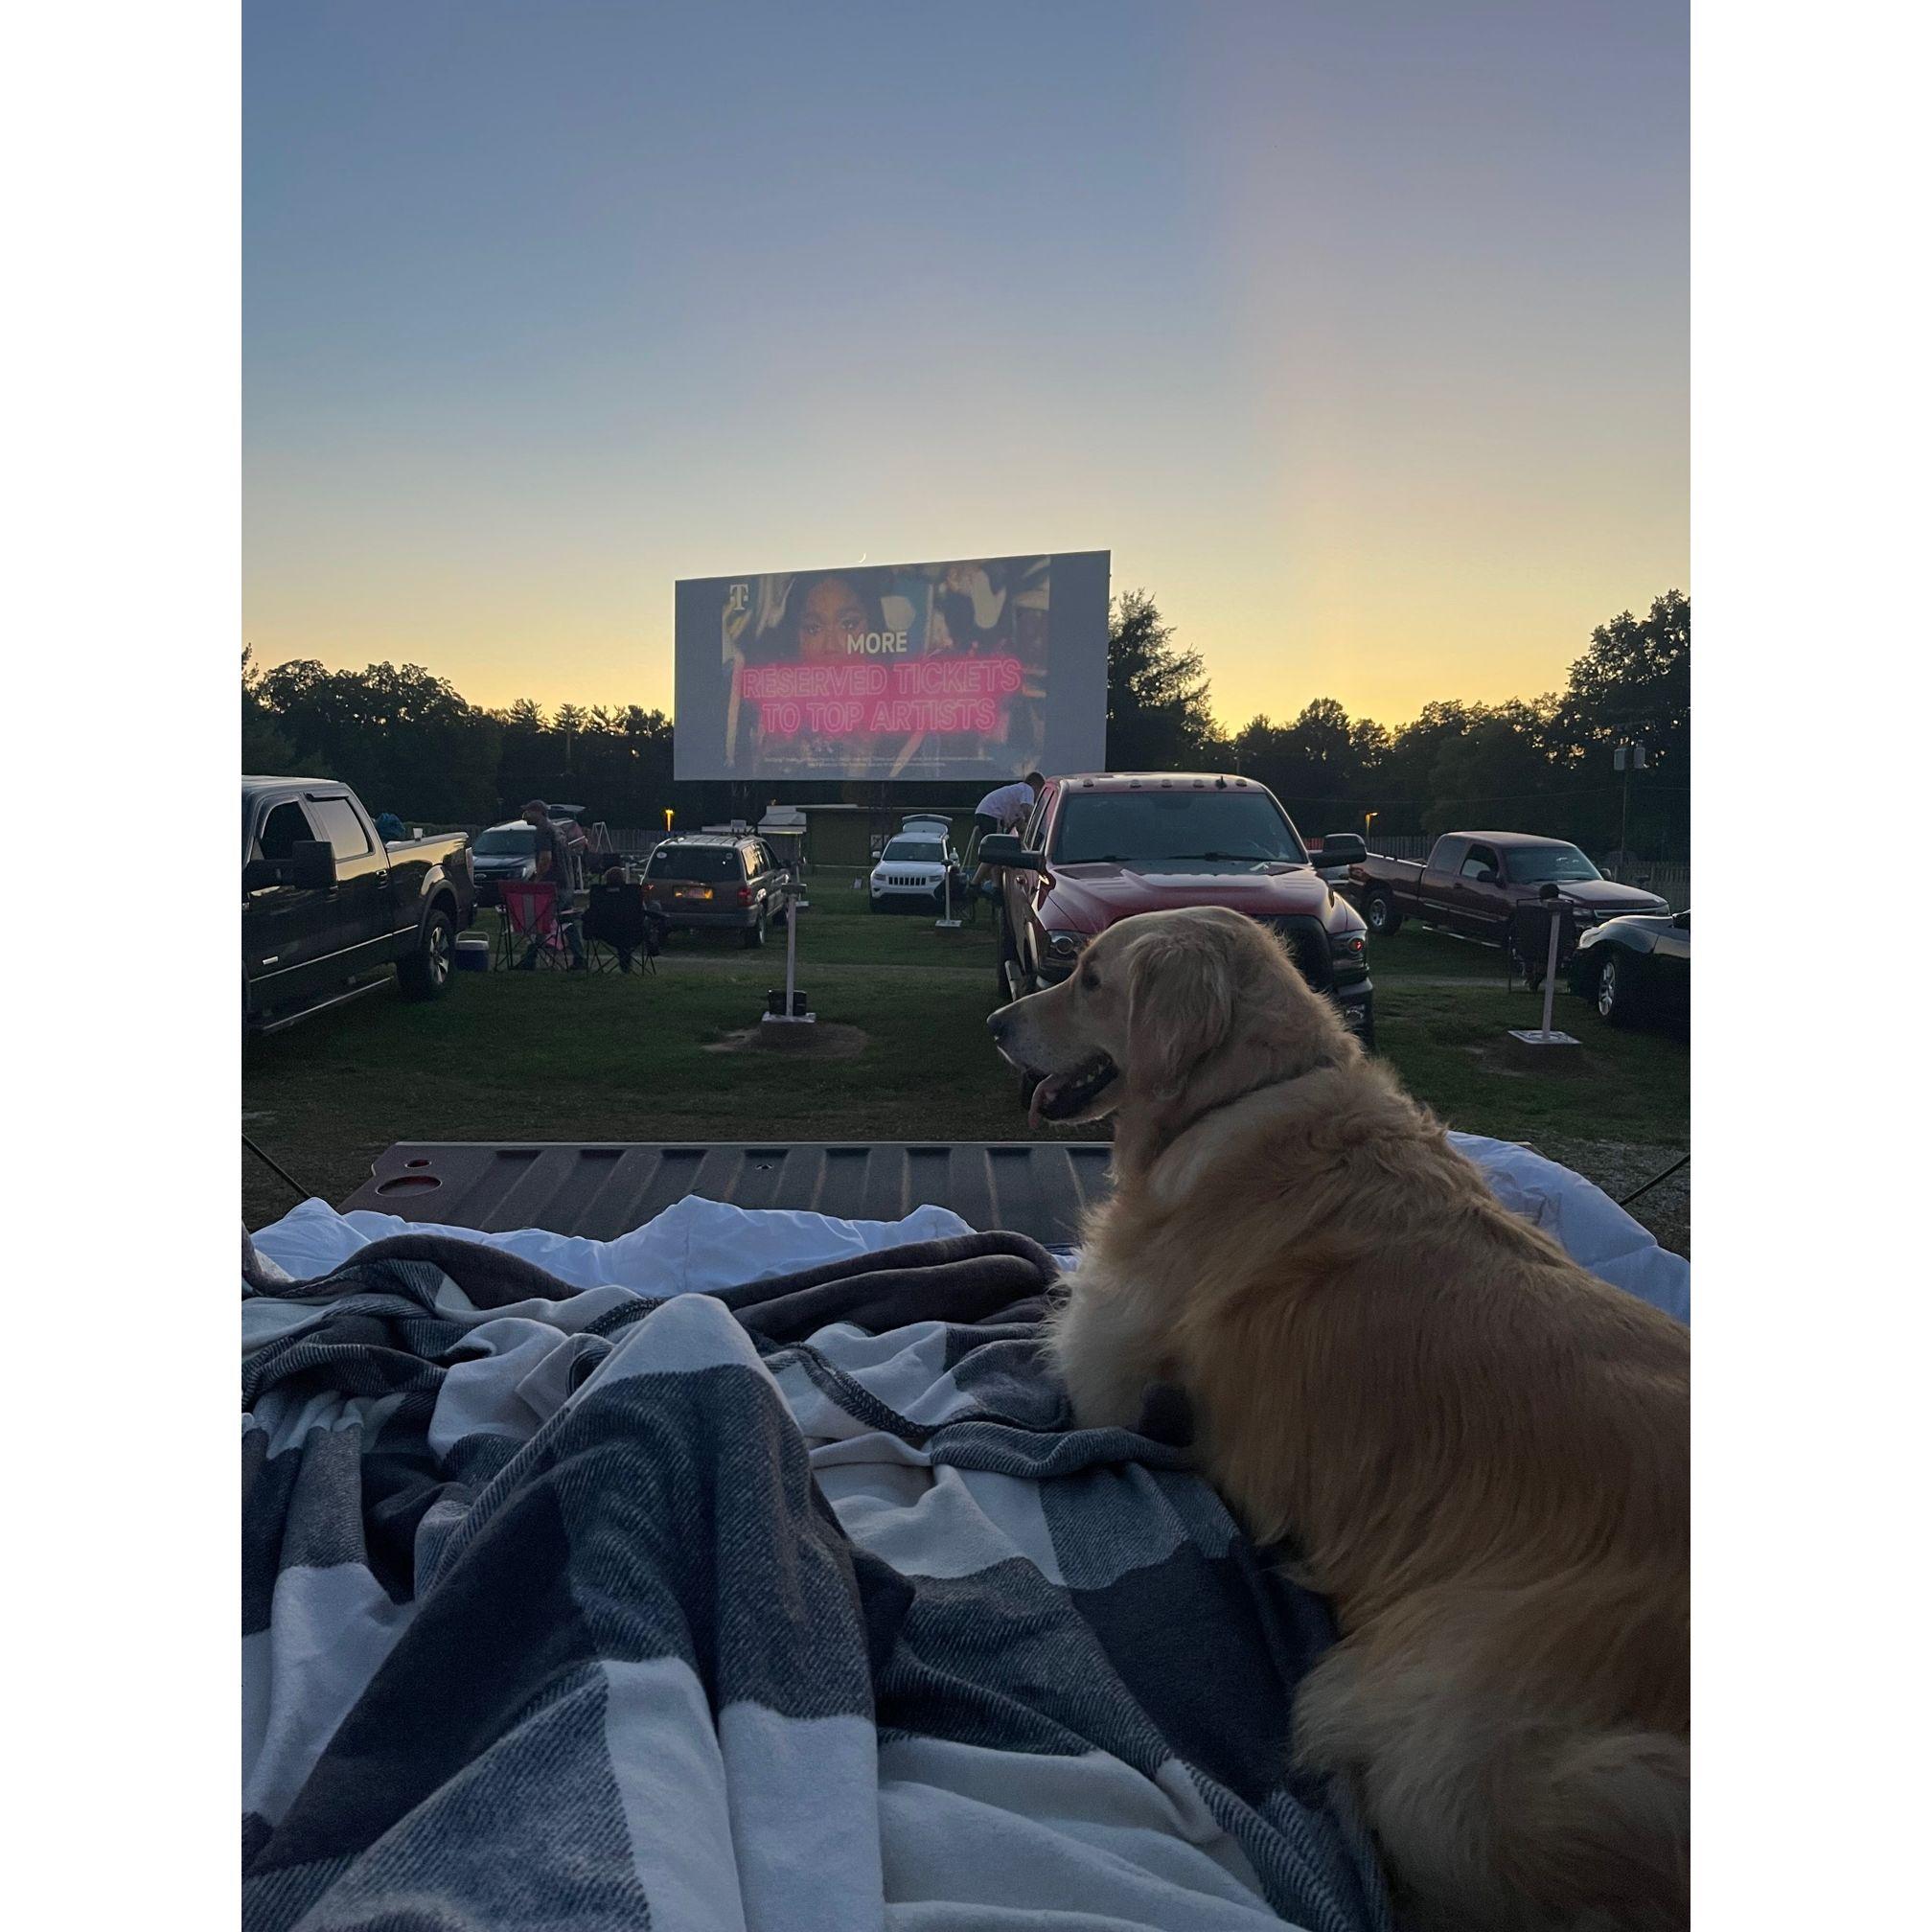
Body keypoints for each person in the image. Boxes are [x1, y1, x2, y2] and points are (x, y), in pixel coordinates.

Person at [515, 799, 586, 971]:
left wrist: (537, 880)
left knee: (540, 919)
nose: (524, 816)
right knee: (567, 921)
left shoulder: (543, 831)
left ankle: (530, 959)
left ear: (539, 812)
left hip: (552, 885)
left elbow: (546, 858)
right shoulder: (558, 830)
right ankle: (579, 958)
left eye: (527, 812)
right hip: (566, 883)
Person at [970, 771, 1044, 895]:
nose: (1038, 798)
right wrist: (1036, 827)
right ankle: (975, 883)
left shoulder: (1016, 796)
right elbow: (1028, 810)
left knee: (995, 850)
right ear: (1036, 786)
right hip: (991, 814)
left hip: (984, 812)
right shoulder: (1027, 790)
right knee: (995, 851)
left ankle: (995, 885)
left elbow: (1020, 828)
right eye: (1039, 792)